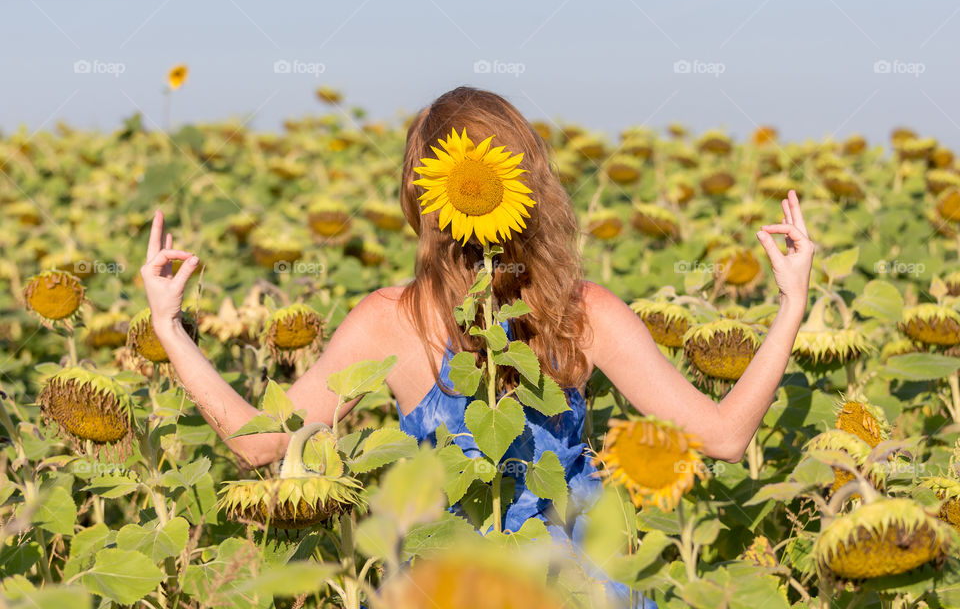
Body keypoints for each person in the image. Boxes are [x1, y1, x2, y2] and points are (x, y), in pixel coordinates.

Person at [141, 86, 814, 607]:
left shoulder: (388, 322)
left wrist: (171, 328)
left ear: (419, 194)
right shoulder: (582, 314)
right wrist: (790, 308)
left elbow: (258, 445)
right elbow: (723, 436)